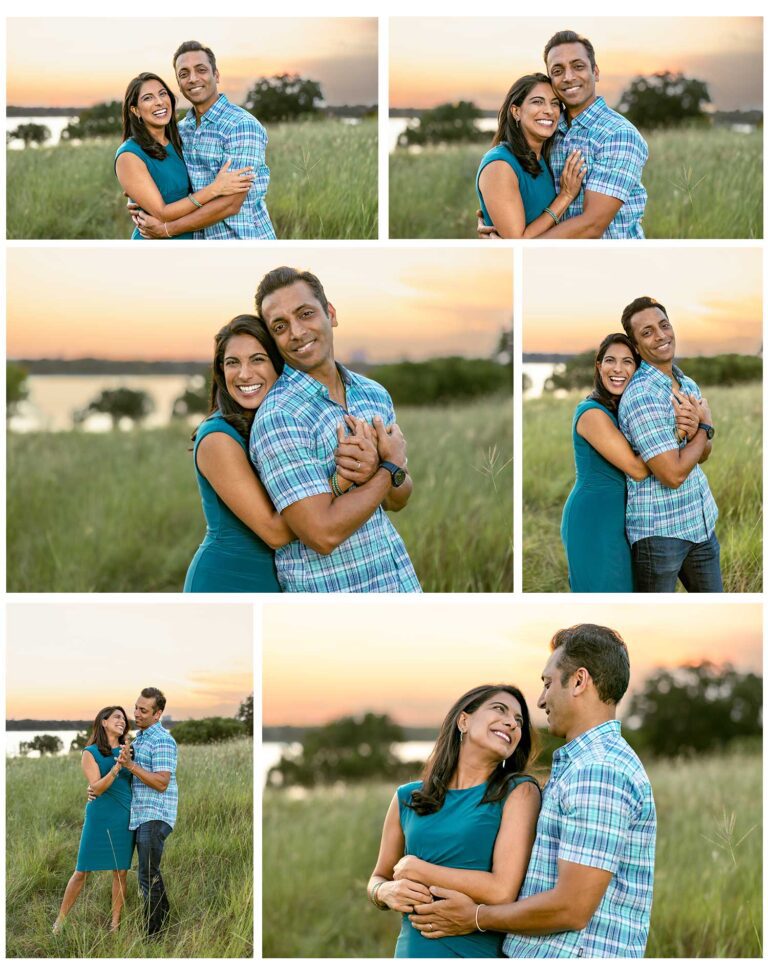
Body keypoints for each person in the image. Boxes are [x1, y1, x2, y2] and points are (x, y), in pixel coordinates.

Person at [410, 624, 657, 959]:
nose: (541, 700)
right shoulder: (584, 765)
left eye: (548, 683)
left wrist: (476, 917)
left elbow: (571, 907)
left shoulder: (598, 770)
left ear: (579, 681)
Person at [249, 266, 421, 593]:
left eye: (306, 314)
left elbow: (399, 499)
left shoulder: (373, 393)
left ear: (330, 313)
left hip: (398, 584)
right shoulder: (280, 416)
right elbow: (321, 534)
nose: (297, 332)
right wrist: (387, 468)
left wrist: (380, 471)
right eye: (280, 326)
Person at [184, 315, 381, 592]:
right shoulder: (218, 438)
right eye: (232, 363)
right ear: (221, 371)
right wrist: (343, 480)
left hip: (276, 581)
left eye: (258, 359)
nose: (244, 374)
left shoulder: (276, 424)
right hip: (228, 580)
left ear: (278, 364)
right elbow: (275, 532)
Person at [367, 684, 541, 958]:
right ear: (464, 721)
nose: (512, 723)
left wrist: (418, 869)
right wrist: (383, 891)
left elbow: (501, 891)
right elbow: (379, 876)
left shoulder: (519, 792)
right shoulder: (407, 797)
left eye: (519, 721)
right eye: (500, 709)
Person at [479, 30, 647, 240]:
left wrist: (518, 247)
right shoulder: (550, 133)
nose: (568, 77)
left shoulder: (618, 134)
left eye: (578, 66)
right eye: (558, 71)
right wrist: (493, 220)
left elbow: (592, 225)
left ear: (595, 72)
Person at [560, 333, 696, 592]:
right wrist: (677, 432)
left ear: (637, 368)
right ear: (599, 366)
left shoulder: (623, 408)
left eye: (627, 362)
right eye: (610, 360)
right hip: (593, 518)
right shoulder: (591, 413)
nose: (618, 369)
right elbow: (637, 469)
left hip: (621, 520)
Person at [618, 297, 721, 592]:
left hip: (700, 523)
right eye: (647, 332)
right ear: (636, 345)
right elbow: (672, 475)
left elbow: (703, 456)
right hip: (660, 535)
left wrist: (699, 434)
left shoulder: (687, 384)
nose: (661, 335)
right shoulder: (642, 395)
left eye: (664, 325)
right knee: (655, 611)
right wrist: (705, 427)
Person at [133, 41, 276, 240]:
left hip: (242, 242)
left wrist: (167, 229)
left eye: (201, 70)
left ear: (216, 75)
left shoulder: (241, 126)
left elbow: (231, 204)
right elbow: (165, 178)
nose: (193, 79)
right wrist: (140, 199)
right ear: (179, 83)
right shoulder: (180, 130)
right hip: (197, 244)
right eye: (184, 74)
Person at [115, 72, 255, 240]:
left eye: (162, 93)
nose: (159, 102)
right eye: (148, 98)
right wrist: (214, 189)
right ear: (135, 110)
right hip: (156, 240)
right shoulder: (129, 154)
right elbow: (162, 213)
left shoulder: (180, 139)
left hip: (191, 239)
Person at [53, 706, 134, 934]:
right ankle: (60, 922)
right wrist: (117, 767)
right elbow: (96, 788)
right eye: (116, 717)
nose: (122, 720)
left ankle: (115, 924)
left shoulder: (130, 750)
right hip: (99, 816)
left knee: (121, 872)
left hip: (124, 816)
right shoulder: (90, 752)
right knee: (82, 870)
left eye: (124, 718)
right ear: (104, 722)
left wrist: (127, 761)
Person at [476, 73, 586, 237]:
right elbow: (517, 242)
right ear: (516, 111)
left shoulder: (545, 158)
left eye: (555, 104)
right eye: (537, 102)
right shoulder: (500, 165)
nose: (549, 111)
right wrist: (566, 196)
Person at [116, 688, 178, 937]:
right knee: (148, 872)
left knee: (147, 874)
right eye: (136, 708)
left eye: (143, 710)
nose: (136, 713)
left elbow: (162, 782)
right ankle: (164, 920)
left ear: (157, 714)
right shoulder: (139, 739)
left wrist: (131, 765)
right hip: (141, 815)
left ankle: (154, 935)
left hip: (155, 814)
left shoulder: (161, 740)